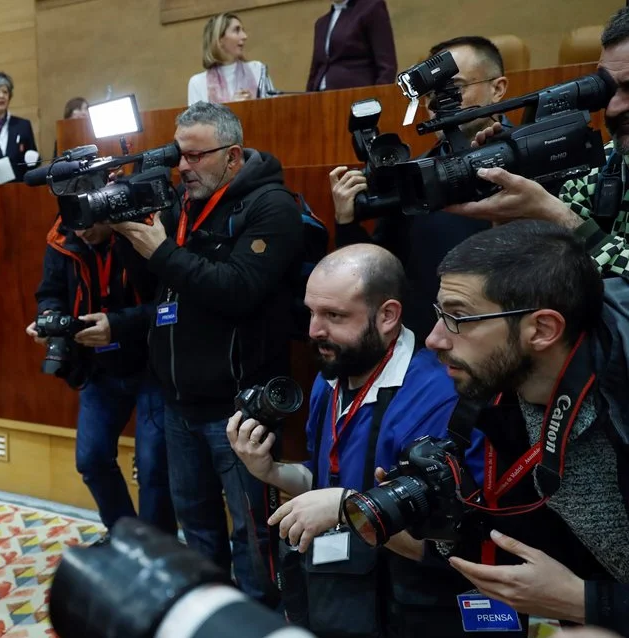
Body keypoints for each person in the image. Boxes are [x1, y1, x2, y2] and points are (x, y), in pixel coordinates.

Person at [227, 244, 492, 637]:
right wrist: (271, 471)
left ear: (387, 315)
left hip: (419, 608)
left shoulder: (446, 397)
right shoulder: (330, 376)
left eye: (334, 316)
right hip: (345, 596)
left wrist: (347, 507)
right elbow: (325, 482)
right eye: (311, 312)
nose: (314, 330)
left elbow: (458, 550)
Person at [393, 221, 629, 634]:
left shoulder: (618, 409)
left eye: (459, 318)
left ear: (542, 329)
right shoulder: (497, 390)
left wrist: (587, 602)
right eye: (439, 313)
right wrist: (444, 524)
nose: (432, 339)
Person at [113, 101, 305, 602]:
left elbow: (238, 288)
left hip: (240, 409)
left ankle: (258, 623)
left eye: (196, 156)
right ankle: (209, 615)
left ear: (233, 156)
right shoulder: (181, 205)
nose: (183, 167)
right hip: (177, 404)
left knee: (254, 536)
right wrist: (126, 235)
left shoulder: (271, 206)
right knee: (197, 530)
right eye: (180, 155)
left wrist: (160, 250)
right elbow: (150, 286)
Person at [329, 35, 508, 337]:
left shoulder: (534, 155)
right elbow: (381, 272)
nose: (438, 102)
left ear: (498, 88)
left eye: (455, 87)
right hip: (428, 345)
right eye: (429, 94)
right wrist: (347, 222)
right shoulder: (414, 175)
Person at [441, 8, 629, 280]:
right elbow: (548, 286)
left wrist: (559, 216)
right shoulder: (600, 170)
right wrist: (513, 217)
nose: (612, 108)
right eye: (608, 89)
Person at [26, 216, 175, 536]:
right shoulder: (61, 238)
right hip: (98, 367)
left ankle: (156, 550)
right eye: (74, 224)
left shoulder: (143, 231)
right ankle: (125, 535)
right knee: (91, 459)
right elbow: (49, 292)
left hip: (152, 365)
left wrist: (118, 325)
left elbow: (170, 304)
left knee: (153, 469)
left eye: (89, 223)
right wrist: (49, 319)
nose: (82, 232)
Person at [306, 0, 397, 92]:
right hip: (319, 98)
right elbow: (315, 69)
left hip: (357, 96)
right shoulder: (321, 23)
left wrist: (378, 98)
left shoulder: (371, 8)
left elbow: (387, 66)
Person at [187, 12, 276, 105]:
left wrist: (252, 105)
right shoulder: (197, 83)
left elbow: (273, 110)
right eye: (236, 30)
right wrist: (232, 106)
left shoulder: (258, 69)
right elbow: (197, 119)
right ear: (219, 39)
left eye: (243, 30)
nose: (245, 36)